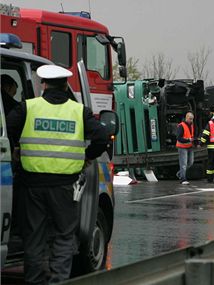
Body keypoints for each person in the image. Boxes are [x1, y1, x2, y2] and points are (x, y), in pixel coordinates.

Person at [6, 64, 109, 284]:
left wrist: (15, 151)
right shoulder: (78, 111)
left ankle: (34, 281)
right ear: (65, 86)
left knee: (34, 238)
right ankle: (58, 281)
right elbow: (102, 136)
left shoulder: (28, 108)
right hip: (65, 188)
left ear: (43, 85)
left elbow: (7, 129)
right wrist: (87, 157)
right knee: (64, 237)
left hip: (32, 186)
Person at [176, 112, 196, 185]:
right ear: (186, 118)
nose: (191, 120)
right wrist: (188, 140)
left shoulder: (191, 125)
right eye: (190, 119)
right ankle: (183, 179)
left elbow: (191, 135)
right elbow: (178, 138)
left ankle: (180, 174)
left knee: (190, 162)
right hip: (182, 147)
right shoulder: (181, 126)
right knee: (183, 164)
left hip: (189, 146)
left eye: (192, 119)